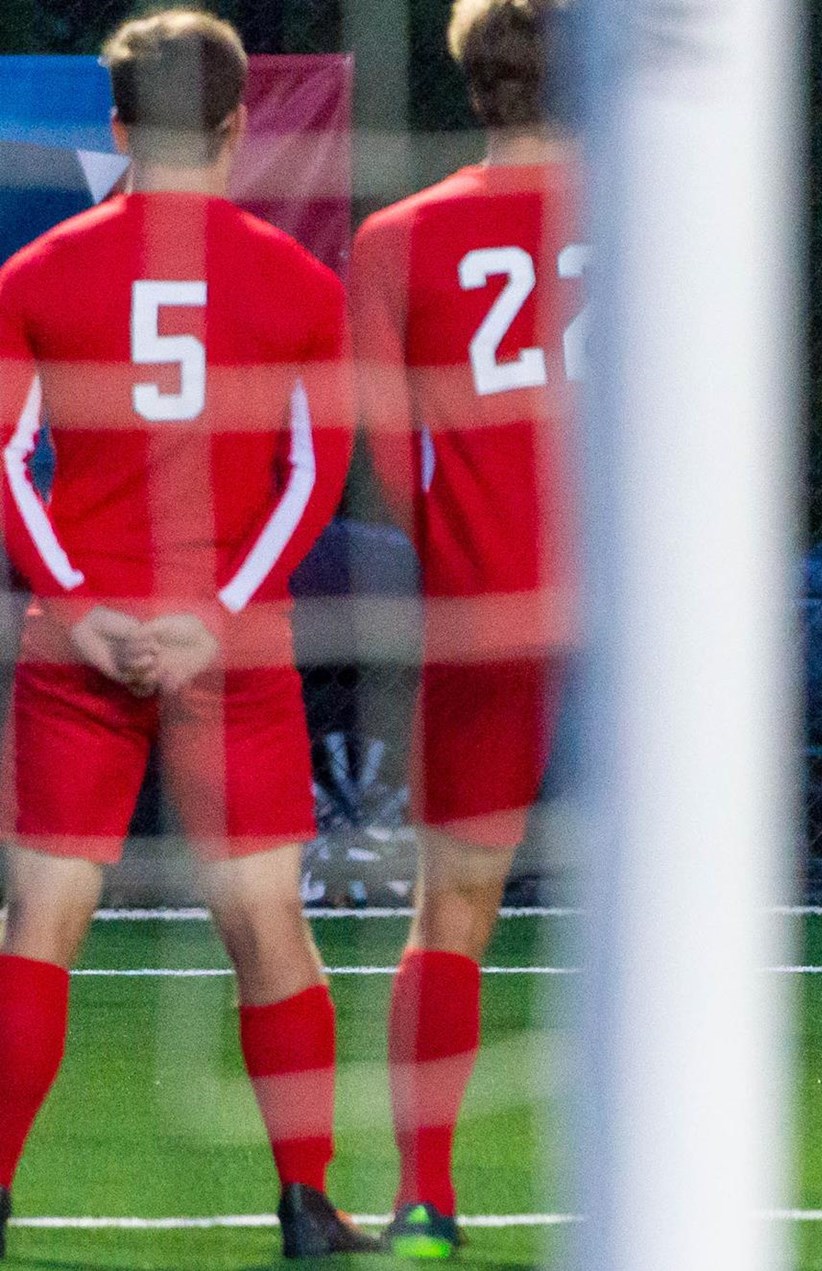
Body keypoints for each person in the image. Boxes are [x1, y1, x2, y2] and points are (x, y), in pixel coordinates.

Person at [0, 10, 372, 1257]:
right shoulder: (298, 282)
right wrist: (212, 619)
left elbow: (6, 455)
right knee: (268, 922)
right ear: (237, 127)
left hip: (79, 635)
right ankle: (308, 1206)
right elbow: (315, 471)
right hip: (230, 646)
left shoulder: (35, 275)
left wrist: (80, 607)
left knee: (42, 921)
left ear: (114, 128)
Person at [350, 0, 579, 1254]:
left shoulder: (395, 238)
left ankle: (424, 1197)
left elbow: (394, 463)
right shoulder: (662, 215)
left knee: (452, 912)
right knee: (673, 899)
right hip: (643, 622)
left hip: (490, 612)